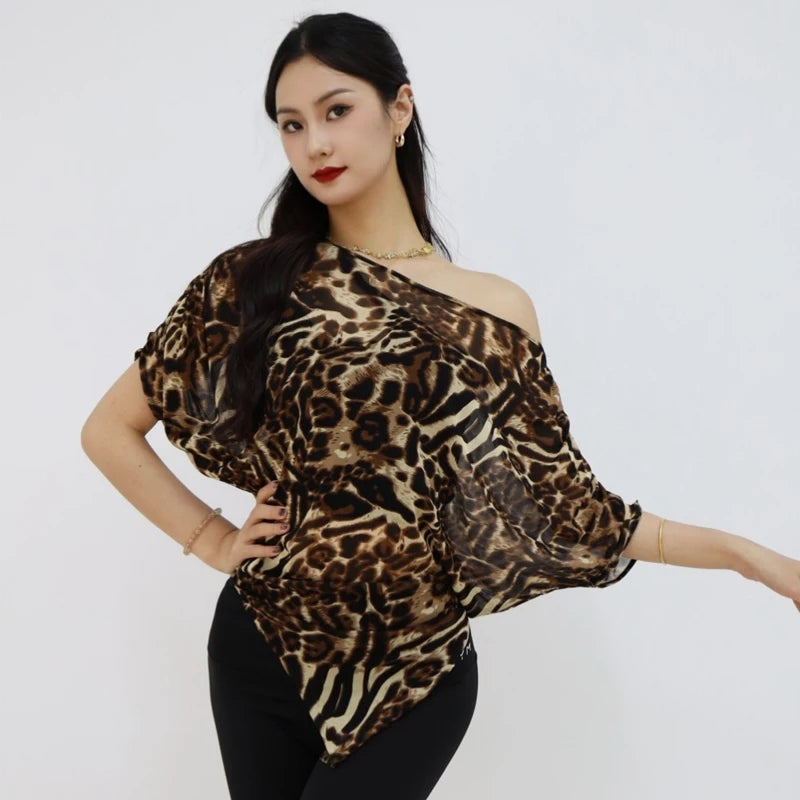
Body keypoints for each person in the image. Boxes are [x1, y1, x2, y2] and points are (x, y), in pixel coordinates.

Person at [80, 11, 800, 800]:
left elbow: (569, 508)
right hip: (264, 644)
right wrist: (215, 540)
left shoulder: (494, 309)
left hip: (412, 673)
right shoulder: (252, 280)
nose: (315, 143)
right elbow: (109, 430)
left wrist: (746, 556)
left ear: (400, 108)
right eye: (292, 124)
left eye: (336, 110)